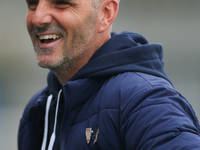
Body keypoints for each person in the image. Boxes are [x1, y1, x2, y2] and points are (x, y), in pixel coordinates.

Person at [18, 0, 200, 149]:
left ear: (106, 13)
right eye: (33, 4)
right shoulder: (38, 109)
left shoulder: (142, 101)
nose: (38, 18)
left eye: (61, 3)